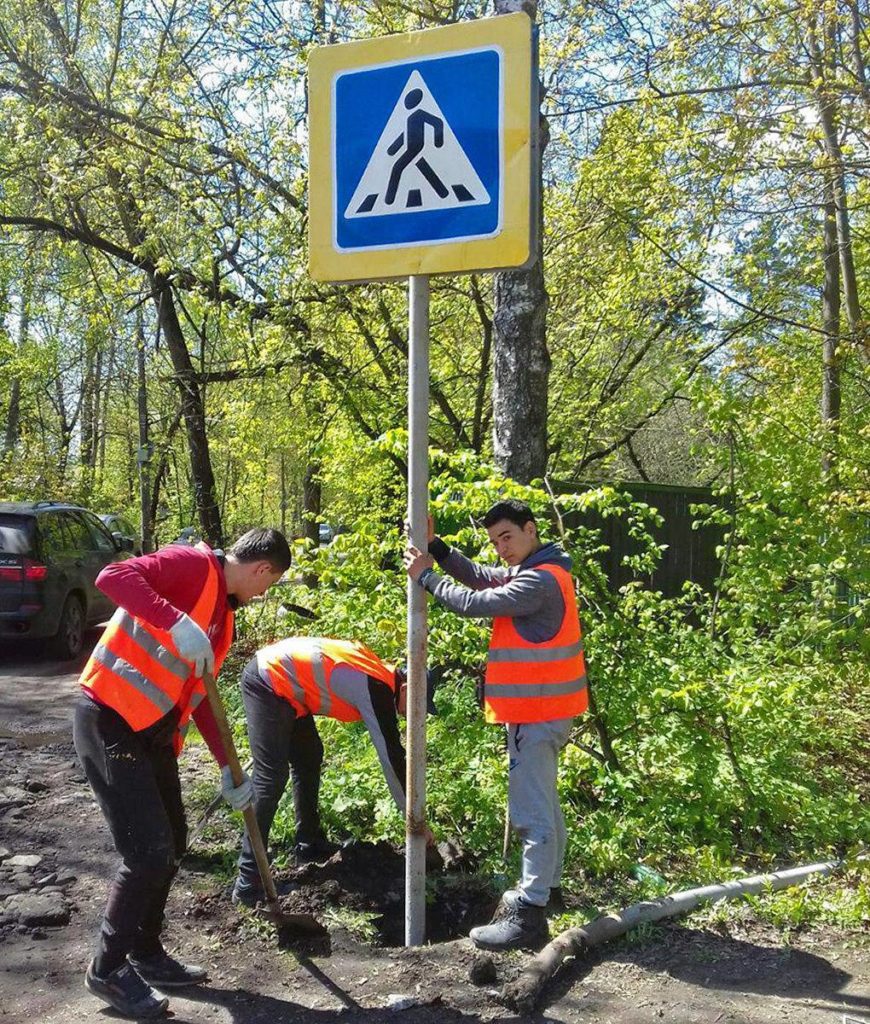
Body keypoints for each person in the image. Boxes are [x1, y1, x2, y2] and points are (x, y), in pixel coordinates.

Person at [73, 528, 292, 1019]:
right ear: (262, 569)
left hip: (150, 735)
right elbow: (114, 576)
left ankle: (145, 952)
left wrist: (229, 769)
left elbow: (204, 699)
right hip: (109, 715)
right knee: (147, 850)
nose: (265, 593)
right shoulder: (192, 566)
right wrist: (173, 620)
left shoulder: (223, 618)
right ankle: (106, 970)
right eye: (270, 584)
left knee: (172, 840)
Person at [403, 499, 587, 951]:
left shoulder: (539, 582)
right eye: (494, 541)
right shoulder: (542, 569)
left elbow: (474, 601)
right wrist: (438, 549)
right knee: (544, 804)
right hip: (547, 710)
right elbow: (482, 576)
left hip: (535, 713)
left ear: (530, 530)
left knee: (532, 813)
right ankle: (549, 887)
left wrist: (425, 576)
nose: (500, 548)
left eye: (507, 537)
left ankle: (529, 912)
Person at [231, 636, 438, 907]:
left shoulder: (380, 675)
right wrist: (416, 822)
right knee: (270, 779)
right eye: (417, 707)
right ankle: (248, 881)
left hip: (291, 688)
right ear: (407, 688)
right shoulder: (377, 687)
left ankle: (308, 844)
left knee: (309, 756)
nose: (412, 716)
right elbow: (392, 758)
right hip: (269, 680)